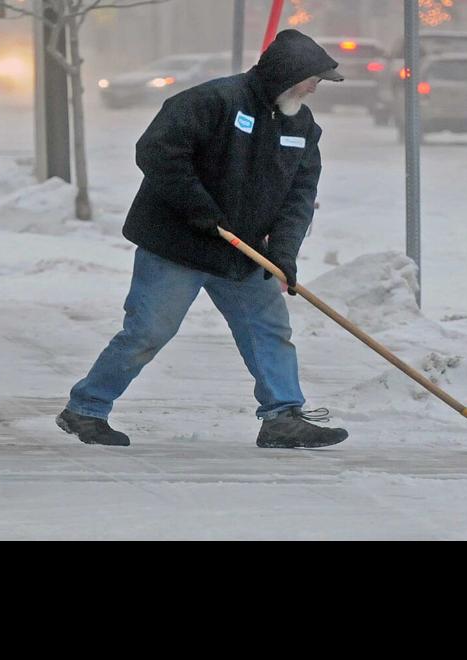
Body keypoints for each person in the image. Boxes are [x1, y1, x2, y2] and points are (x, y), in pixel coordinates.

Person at [57, 29, 349, 449]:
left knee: (269, 330)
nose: (314, 88)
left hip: (242, 251)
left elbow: (299, 196)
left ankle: (282, 417)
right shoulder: (215, 101)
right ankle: (85, 409)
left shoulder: (302, 126)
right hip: (179, 244)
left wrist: (282, 254)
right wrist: (200, 210)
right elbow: (158, 150)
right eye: (312, 79)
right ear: (289, 73)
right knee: (148, 332)